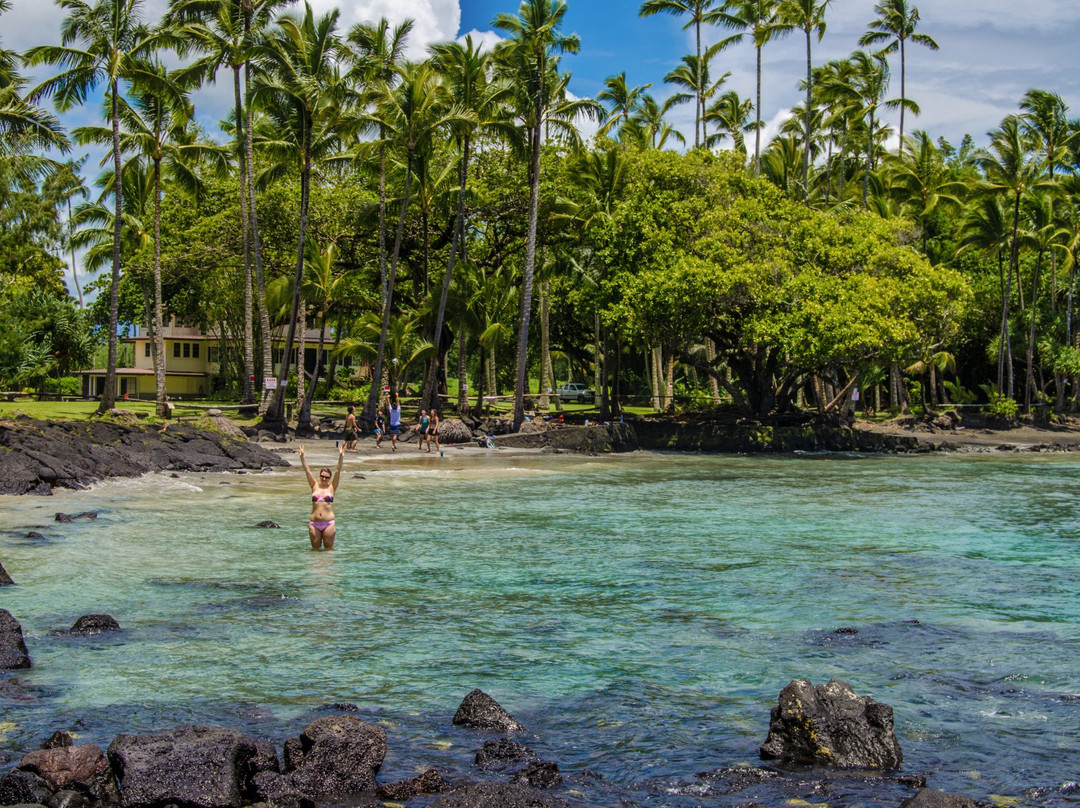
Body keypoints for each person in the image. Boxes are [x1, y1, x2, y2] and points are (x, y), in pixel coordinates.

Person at [297, 443, 344, 550]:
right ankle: (315, 566)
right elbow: (307, 470)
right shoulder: (314, 486)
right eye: (322, 476)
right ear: (319, 476)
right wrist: (302, 457)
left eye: (326, 477)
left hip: (328, 523)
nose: (324, 479)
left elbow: (338, 470)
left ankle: (327, 567)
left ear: (329, 478)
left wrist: (341, 456)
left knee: (328, 550)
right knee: (315, 550)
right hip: (314, 524)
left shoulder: (332, 487)